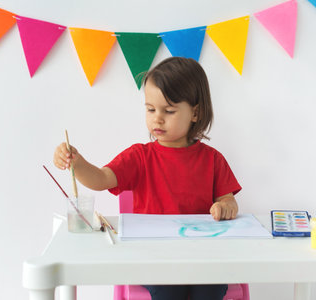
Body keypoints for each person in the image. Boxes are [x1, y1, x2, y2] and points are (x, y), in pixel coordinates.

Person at [53, 57, 242, 300]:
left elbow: (229, 202)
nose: (157, 118)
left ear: (196, 113)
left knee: (211, 288)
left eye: (169, 111)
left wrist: (225, 207)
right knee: (168, 288)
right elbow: (100, 179)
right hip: (152, 256)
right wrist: (77, 164)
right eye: (150, 109)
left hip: (201, 255)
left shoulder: (213, 160)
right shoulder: (139, 157)